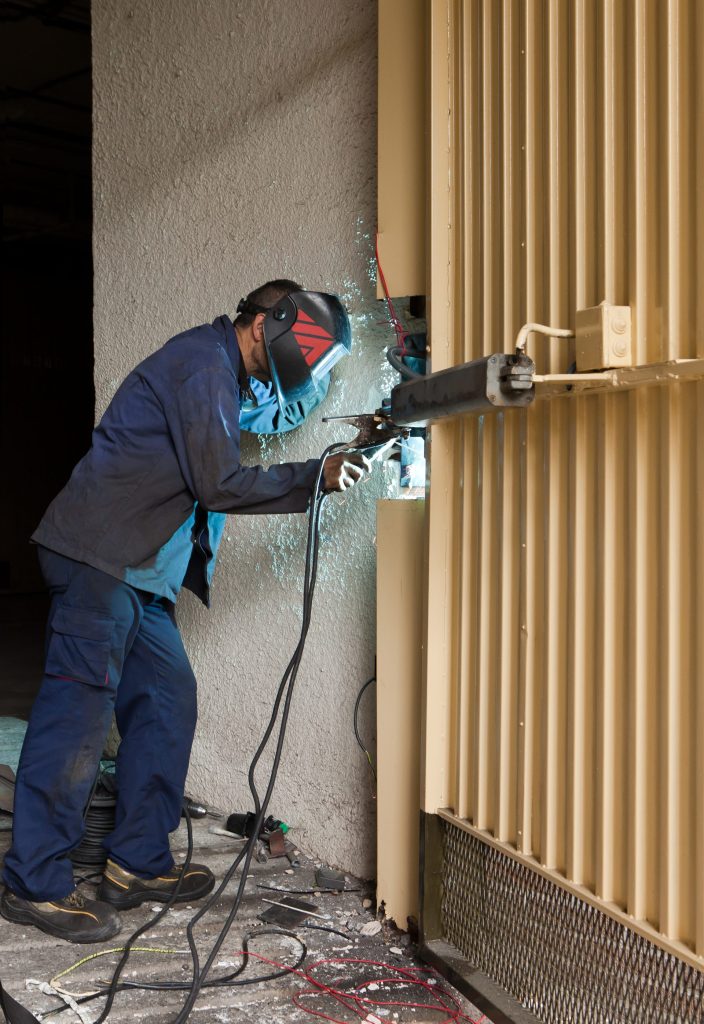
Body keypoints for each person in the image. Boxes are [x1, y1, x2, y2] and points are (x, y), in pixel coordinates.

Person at [0, 280, 370, 944]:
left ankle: (134, 865)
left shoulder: (224, 380)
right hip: (99, 561)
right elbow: (218, 482)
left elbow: (273, 415)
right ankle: (34, 882)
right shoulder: (200, 363)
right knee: (76, 719)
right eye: (310, 353)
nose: (310, 368)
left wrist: (347, 434)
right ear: (271, 324)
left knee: (168, 701)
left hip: (137, 574)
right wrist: (316, 473)